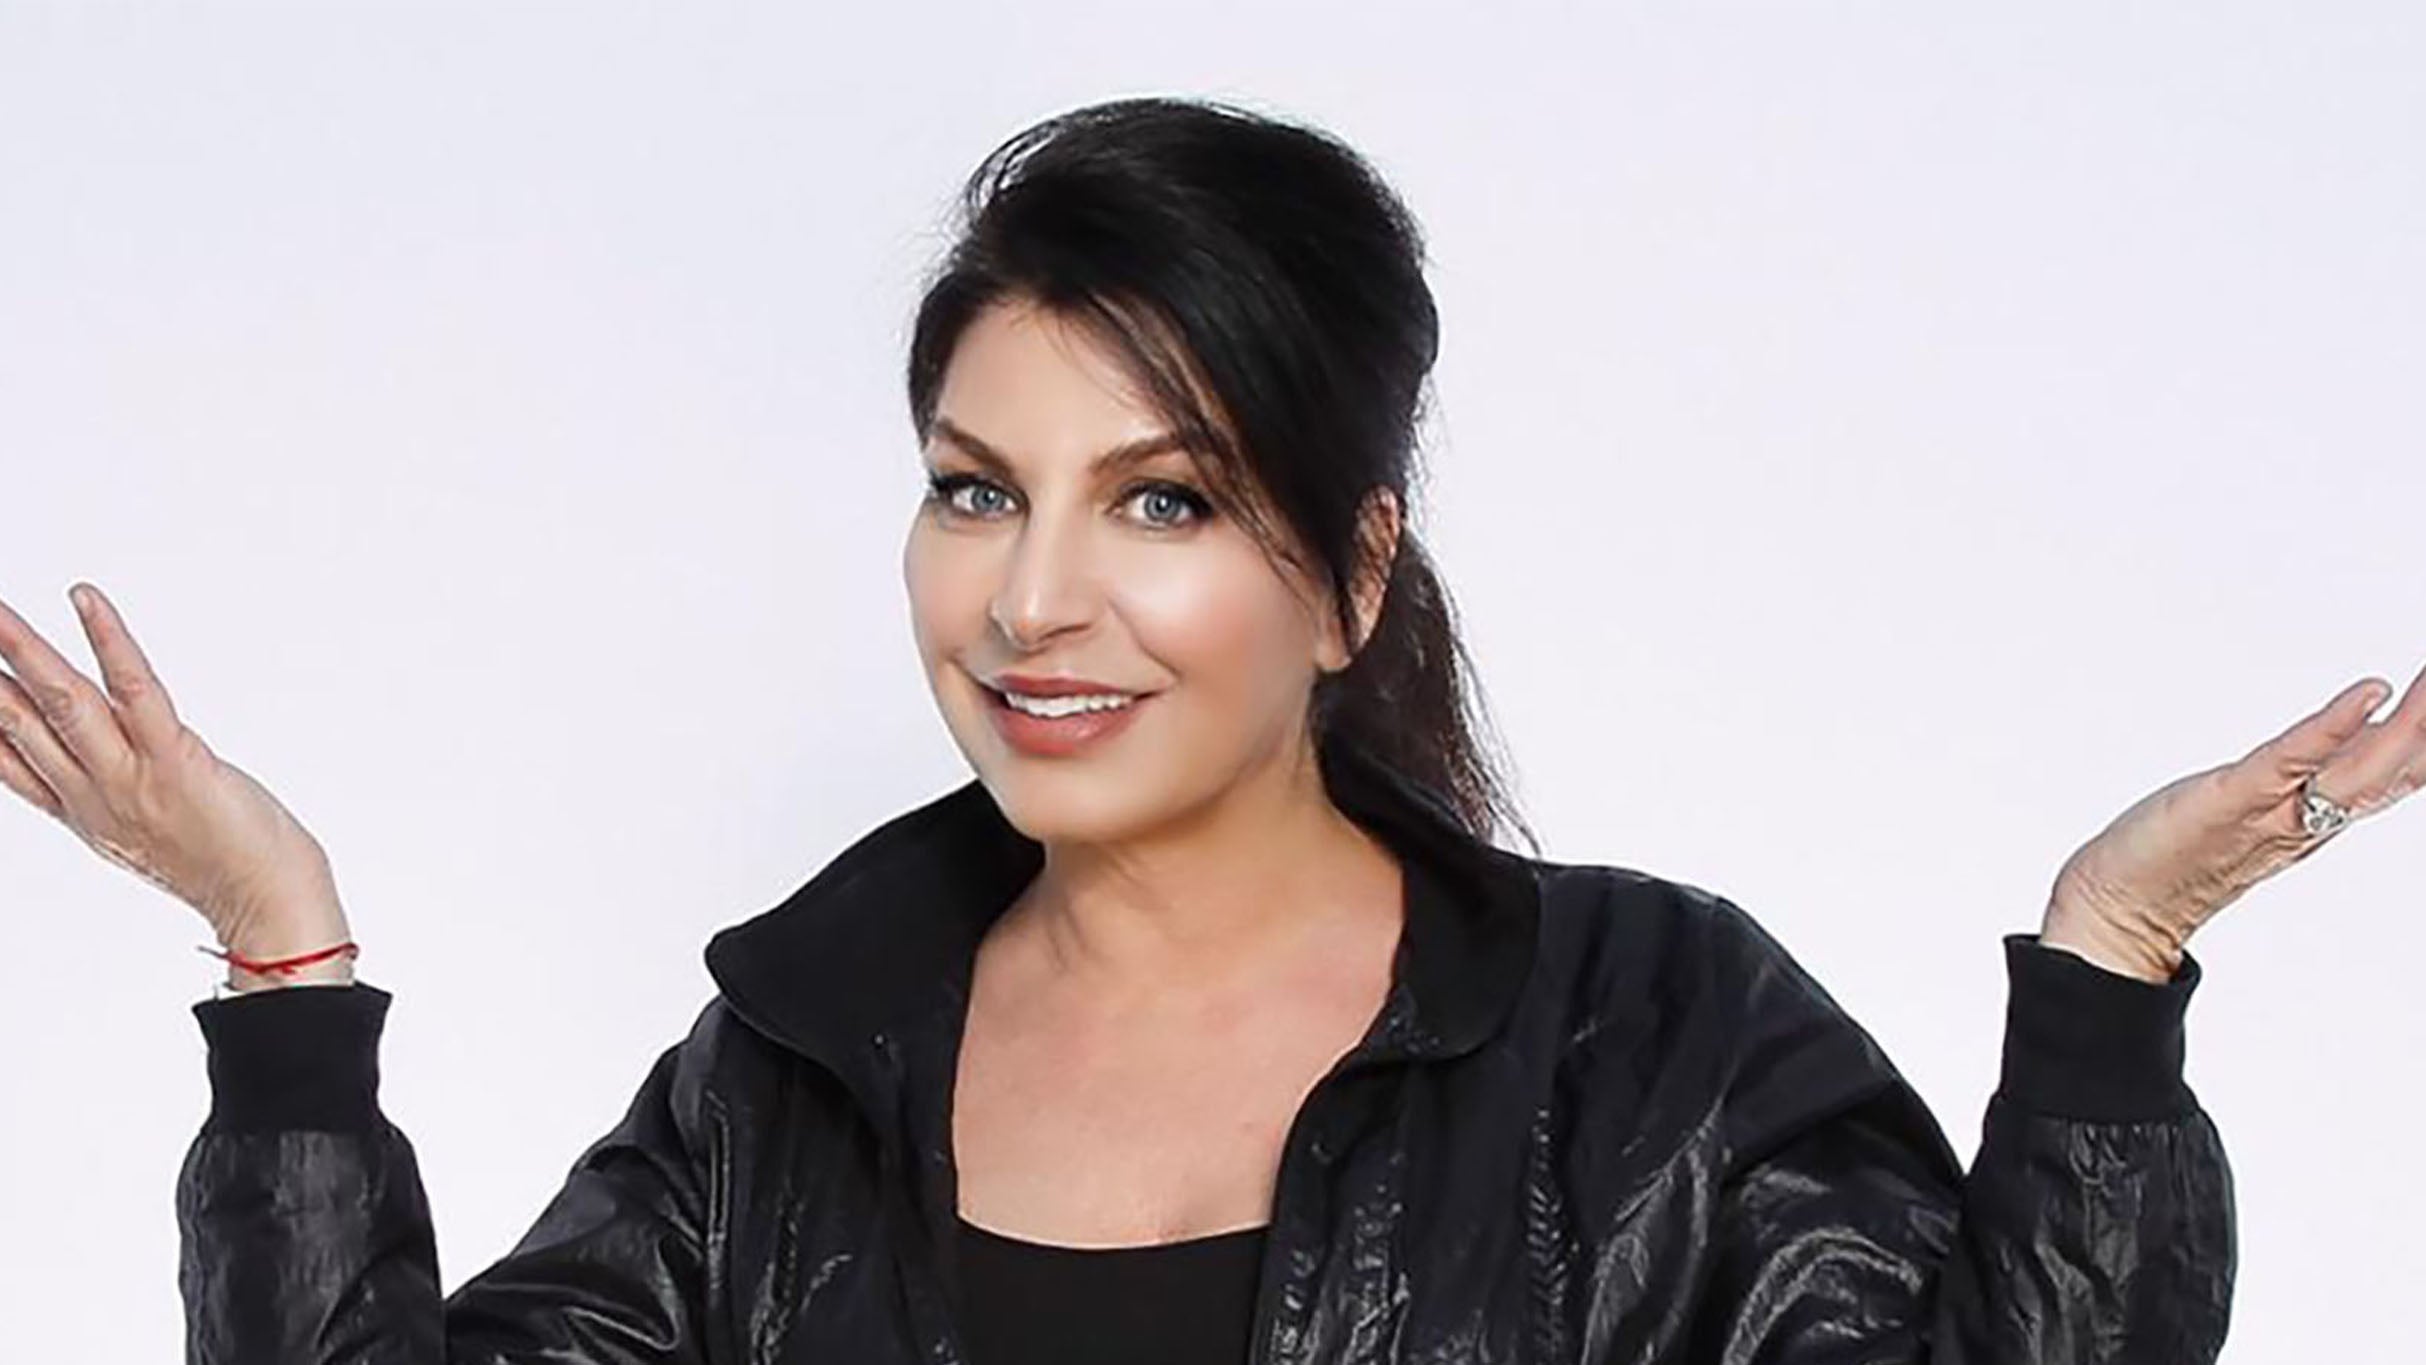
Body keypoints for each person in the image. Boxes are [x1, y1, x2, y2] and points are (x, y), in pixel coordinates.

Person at [1, 94, 2417, 1365]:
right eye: (974, 486)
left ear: (1352, 571)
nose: (1028, 596)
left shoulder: (1648, 1035)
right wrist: (283, 966)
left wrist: (2109, 973)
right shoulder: (796, 1072)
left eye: (1157, 498)